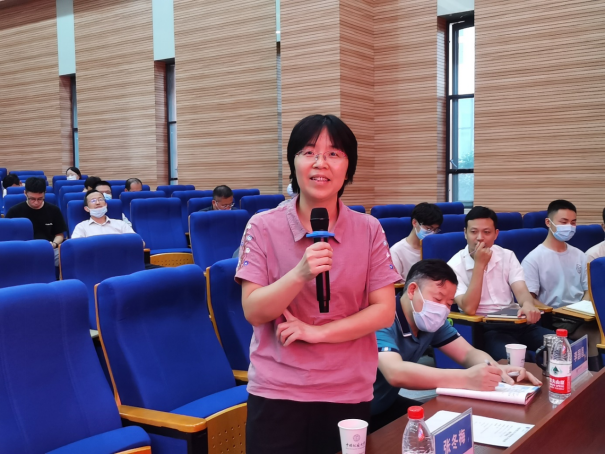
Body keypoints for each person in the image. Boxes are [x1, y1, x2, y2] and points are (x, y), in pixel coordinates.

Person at [235, 114, 401, 454]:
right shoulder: (262, 226)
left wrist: (317, 332)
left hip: (348, 390)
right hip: (278, 391)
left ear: (348, 168)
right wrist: (299, 274)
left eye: (334, 154)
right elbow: (253, 310)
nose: (320, 163)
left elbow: (384, 312)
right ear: (293, 162)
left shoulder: (369, 229)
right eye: (309, 152)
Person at [371, 260, 542, 432]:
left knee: (449, 427)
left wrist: (496, 370)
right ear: (412, 290)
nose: (442, 309)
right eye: (438, 299)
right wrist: (466, 378)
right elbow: (396, 372)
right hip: (360, 412)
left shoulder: (432, 321)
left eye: (448, 303)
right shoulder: (382, 317)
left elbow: (468, 353)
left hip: (386, 403)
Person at [447, 206, 552, 361]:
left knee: (562, 347)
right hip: (485, 328)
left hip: (517, 321)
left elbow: (521, 291)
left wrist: (528, 304)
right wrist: (479, 265)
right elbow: (469, 308)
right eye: (474, 232)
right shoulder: (453, 266)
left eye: (486, 232)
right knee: (518, 359)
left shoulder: (507, 256)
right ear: (465, 233)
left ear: (496, 234)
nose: (480, 238)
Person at [522, 200, 602, 370]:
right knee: (594, 334)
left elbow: (587, 289)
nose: (569, 227)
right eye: (564, 222)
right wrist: (554, 311)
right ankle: (596, 381)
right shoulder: (533, 259)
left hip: (579, 315)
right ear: (548, 222)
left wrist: (582, 308)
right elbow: (529, 299)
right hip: (555, 318)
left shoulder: (579, 255)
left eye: (573, 222)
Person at [6, 177, 66, 266]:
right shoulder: (14, 211)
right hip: (22, 252)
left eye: (40, 198)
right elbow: (7, 238)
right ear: (25, 193)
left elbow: (59, 235)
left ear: (44, 194)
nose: (36, 202)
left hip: (48, 250)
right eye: (32, 199)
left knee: (67, 256)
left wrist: (53, 244)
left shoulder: (54, 210)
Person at [390, 202, 443, 282]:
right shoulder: (396, 251)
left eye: (435, 229)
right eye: (428, 228)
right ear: (414, 223)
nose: (432, 233)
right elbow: (395, 284)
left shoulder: (436, 247)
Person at [71, 189, 136, 238]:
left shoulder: (121, 224)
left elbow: (136, 242)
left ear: (106, 205)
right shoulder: (81, 227)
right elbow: (75, 247)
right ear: (86, 209)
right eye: (93, 201)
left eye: (100, 199)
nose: (97, 203)